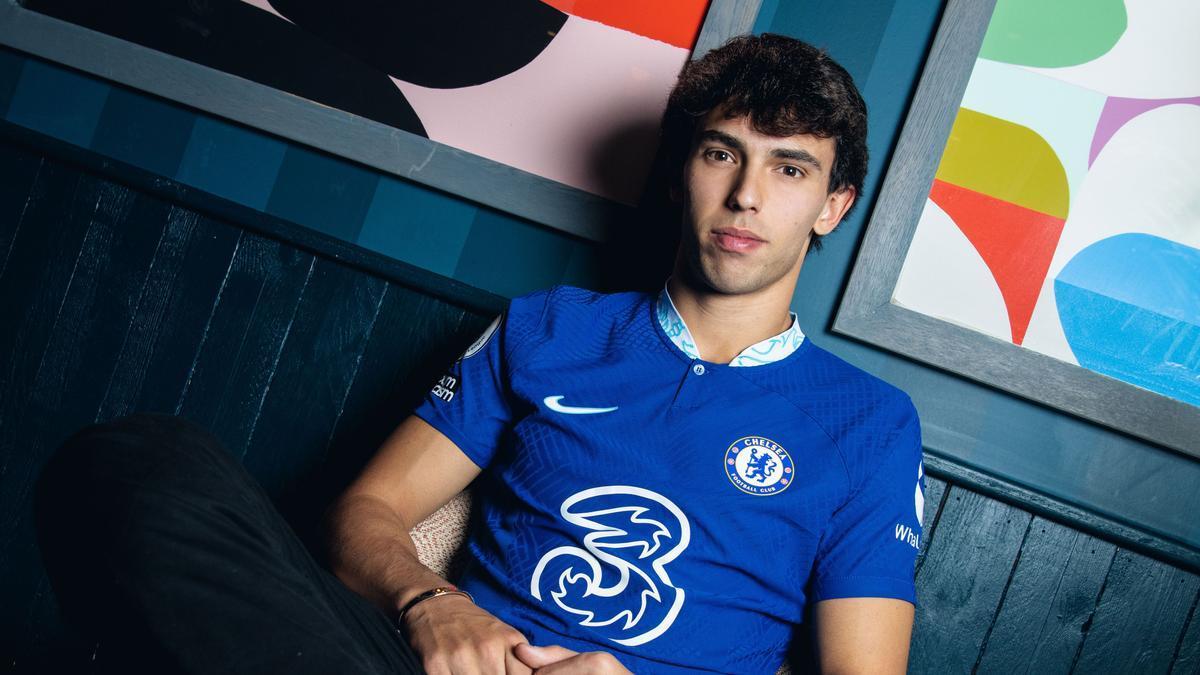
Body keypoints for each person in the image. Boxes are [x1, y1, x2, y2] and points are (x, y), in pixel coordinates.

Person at [37, 33, 923, 675]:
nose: (745, 196)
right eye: (722, 153)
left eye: (790, 169)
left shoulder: (869, 422)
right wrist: (434, 604)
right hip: (420, 664)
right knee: (138, 458)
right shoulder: (552, 329)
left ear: (834, 206)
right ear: (679, 172)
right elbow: (365, 512)